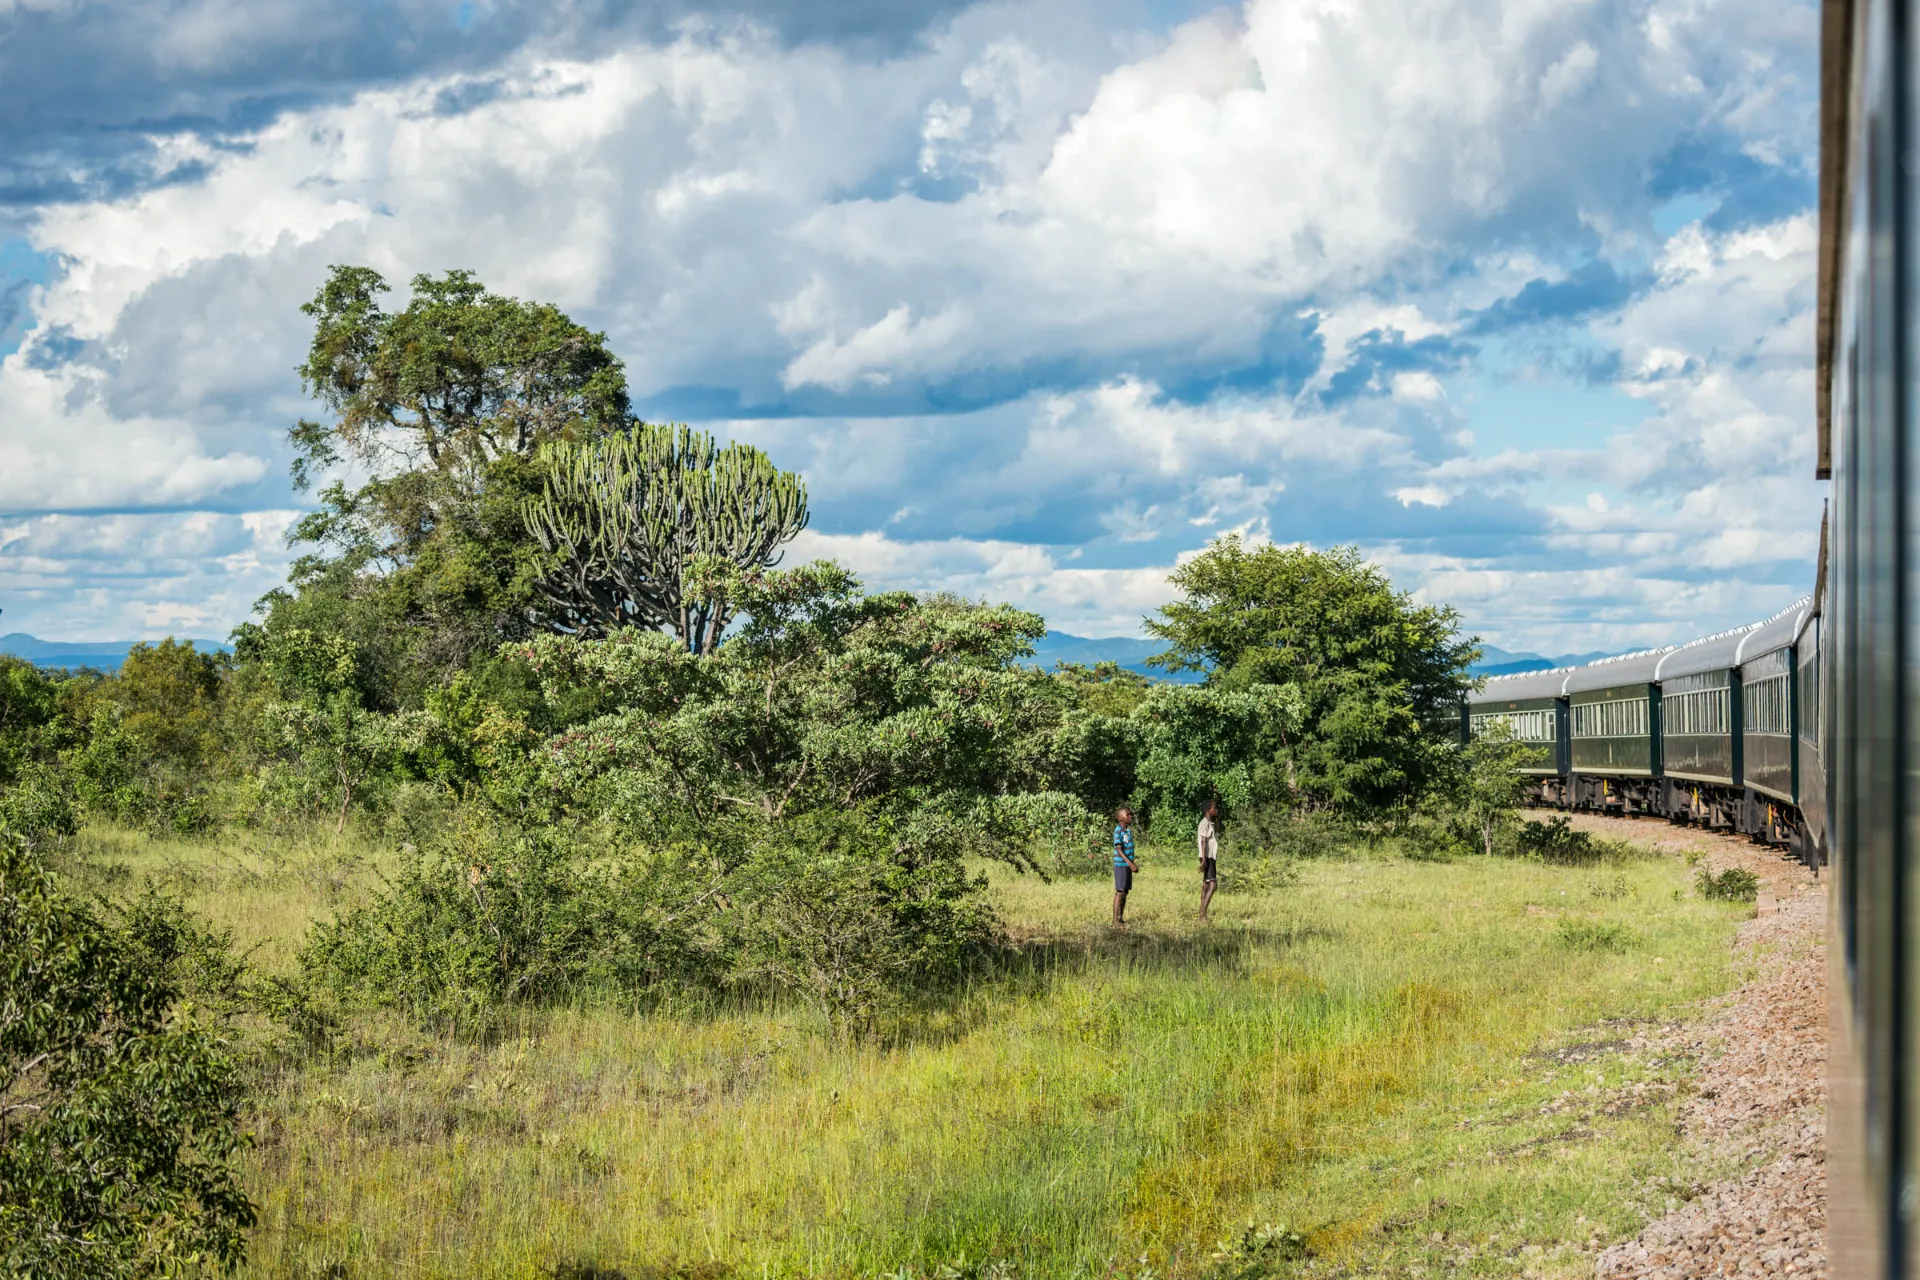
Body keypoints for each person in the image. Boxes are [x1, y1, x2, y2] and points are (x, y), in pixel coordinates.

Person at [1111, 807, 1138, 928]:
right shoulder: (1118, 831)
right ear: (1120, 817)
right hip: (1121, 865)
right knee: (1120, 892)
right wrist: (1130, 863)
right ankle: (1115, 921)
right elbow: (1119, 848)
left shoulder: (1127, 830)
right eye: (1128, 815)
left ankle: (1120, 918)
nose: (1130, 817)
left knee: (1125, 892)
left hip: (1126, 865)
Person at [1196, 797, 1221, 923]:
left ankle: (1202, 912)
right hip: (1208, 857)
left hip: (1208, 857)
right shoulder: (1205, 823)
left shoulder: (1208, 822)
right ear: (1207, 810)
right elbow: (1203, 841)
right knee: (1213, 885)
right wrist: (1204, 860)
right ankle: (1202, 914)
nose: (1216, 810)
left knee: (1206, 884)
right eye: (1214, 808)